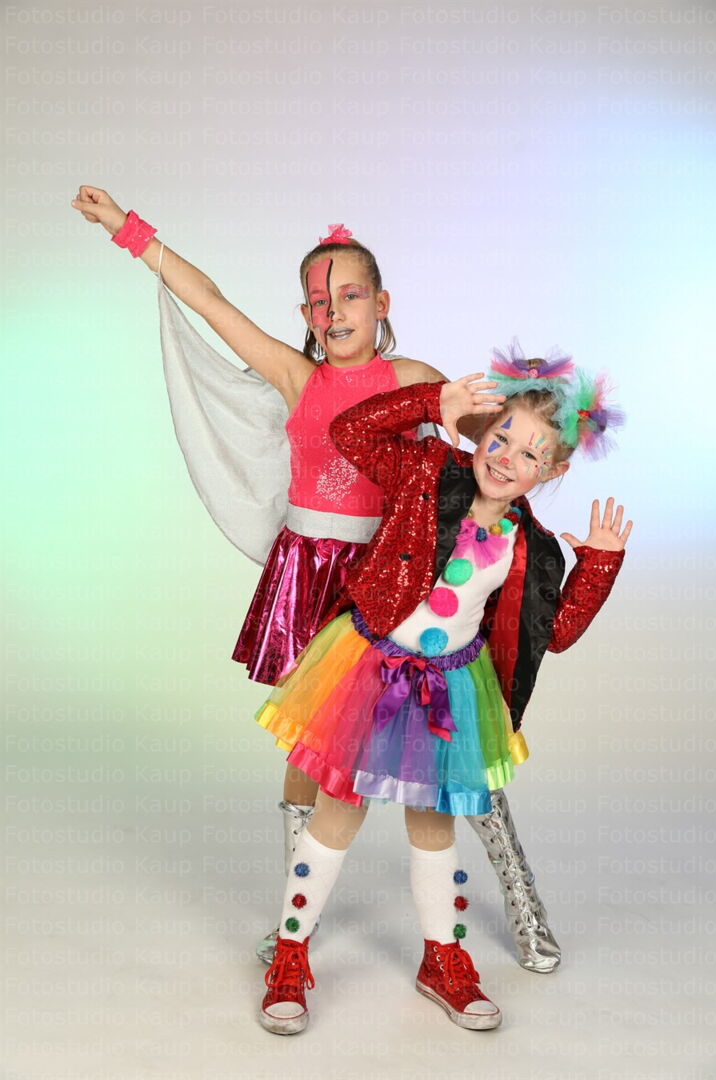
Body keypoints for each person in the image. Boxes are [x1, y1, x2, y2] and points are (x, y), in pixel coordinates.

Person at [70, 190, 562, 970]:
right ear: (306, 312)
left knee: (456, 741)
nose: (334, 313)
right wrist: (127, 229)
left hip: (401, 573)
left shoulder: (414, 376)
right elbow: (212, 302)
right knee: (312, 744)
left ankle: (522, 898)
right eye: (319, 301)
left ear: (382, 303)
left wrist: (546, 433)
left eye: (350, 296)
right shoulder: (296, 375)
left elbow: (497, 456)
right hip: (311, 576)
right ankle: (298, 919)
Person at [256, 346, 630, 1034]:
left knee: (434, 826)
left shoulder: (530, 547)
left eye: (530, 453)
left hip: (449, 687)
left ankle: (443, 960)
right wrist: (431, 403)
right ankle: (290, 953)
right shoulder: (427, 470)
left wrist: (598, 565)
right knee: (339, 809)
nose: (507, 457)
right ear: (482, 431)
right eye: (501, 437)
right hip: (369, 668)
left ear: (552, 471)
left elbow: (554, 632)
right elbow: (350, 432)